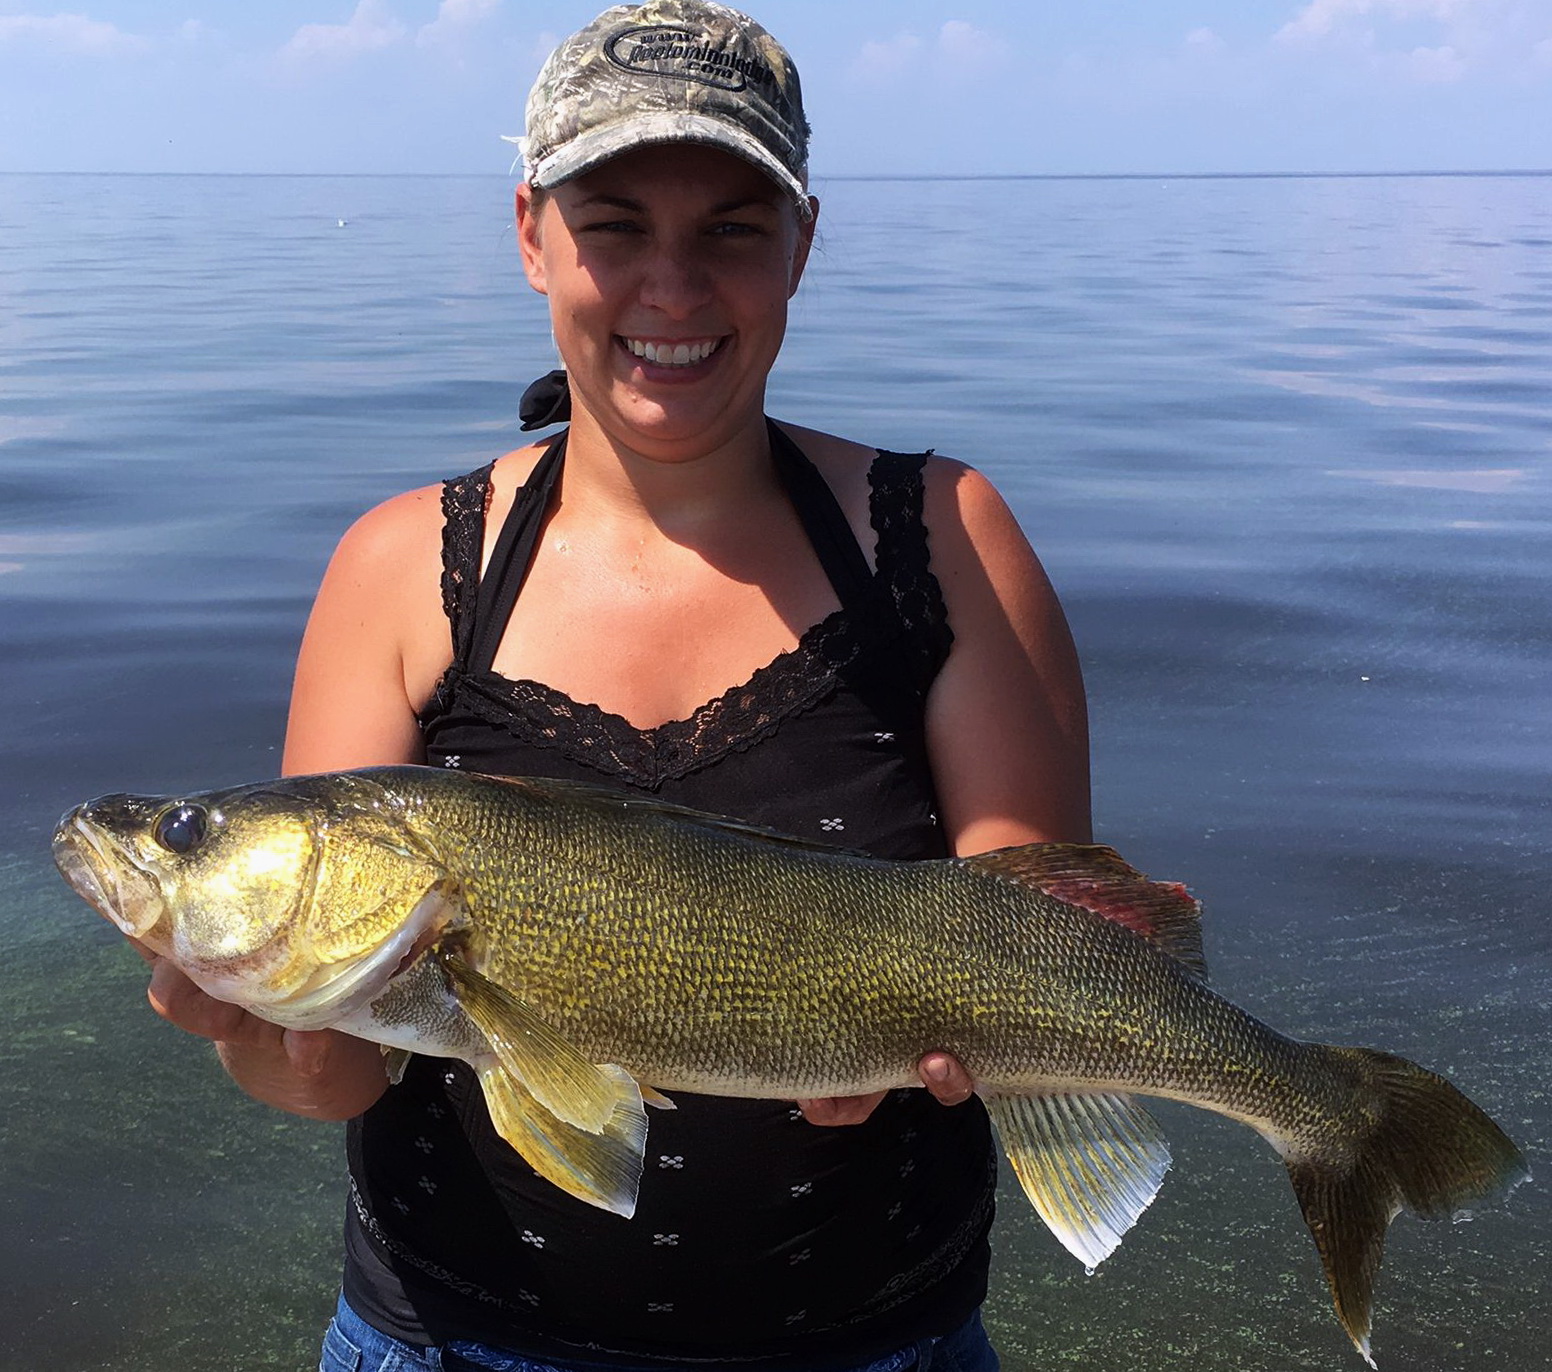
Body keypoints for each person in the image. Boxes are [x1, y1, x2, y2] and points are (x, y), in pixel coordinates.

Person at [142, 3, 1091, 1369]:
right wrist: (250, 1015)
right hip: (455, 1342)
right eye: (615, 225)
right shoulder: (402, 568)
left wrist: (962, 1038)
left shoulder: (944, 537)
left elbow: (1041, 913)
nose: (672, 288)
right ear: (530, 233)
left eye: (731, 230)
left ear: (803, 246)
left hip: (876, 1341)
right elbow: (338, 1074)